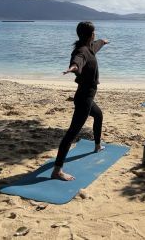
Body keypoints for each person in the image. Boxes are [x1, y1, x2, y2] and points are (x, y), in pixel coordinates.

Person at [51, 21, 109, 181]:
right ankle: (57, 171)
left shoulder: (90, 47)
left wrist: (104, 41)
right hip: (84, 99)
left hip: (87, 98)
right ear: (90, 34)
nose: (95, 35)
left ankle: (97, 146)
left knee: (98, 115)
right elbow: (78, 60)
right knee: (71, 134)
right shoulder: (82, 51)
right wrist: (73, 68)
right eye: (94, 33)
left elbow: (97, 45)